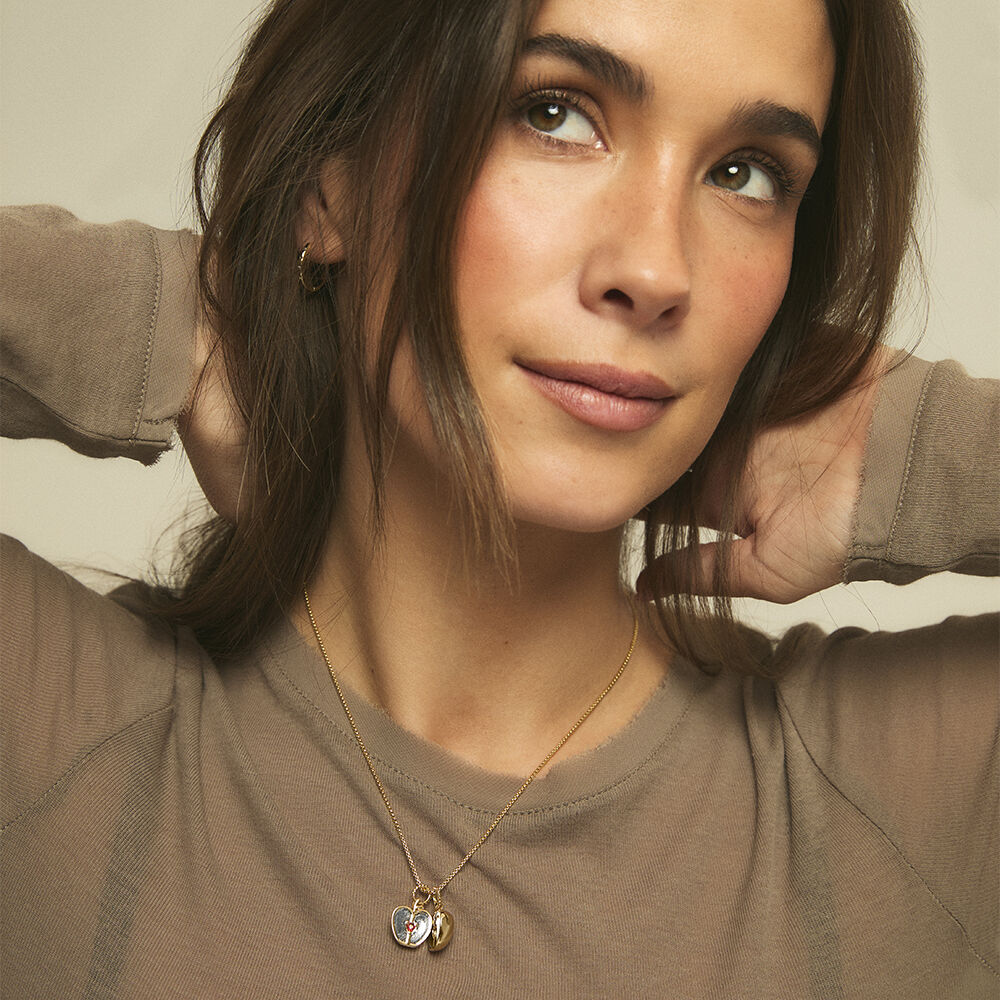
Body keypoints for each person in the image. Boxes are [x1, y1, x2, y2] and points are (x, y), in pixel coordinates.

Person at [1, 0, 996, 996]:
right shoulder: (57, 732)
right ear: (327, 180)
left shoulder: (891, 803)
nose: (655, 271)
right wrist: (172, 315)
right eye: (555, 114)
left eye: (746, 174)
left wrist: (907, 453)